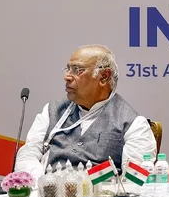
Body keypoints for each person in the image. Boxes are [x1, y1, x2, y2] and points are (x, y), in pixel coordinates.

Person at [14, 45, 155, 179]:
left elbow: (135, 179)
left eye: (77, 70)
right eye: (68, 69)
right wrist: (41, 182)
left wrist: (84, 184)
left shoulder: (132, 123)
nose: (67, 77)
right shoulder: (52, 111)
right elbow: (28, 153)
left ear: (104, 76)